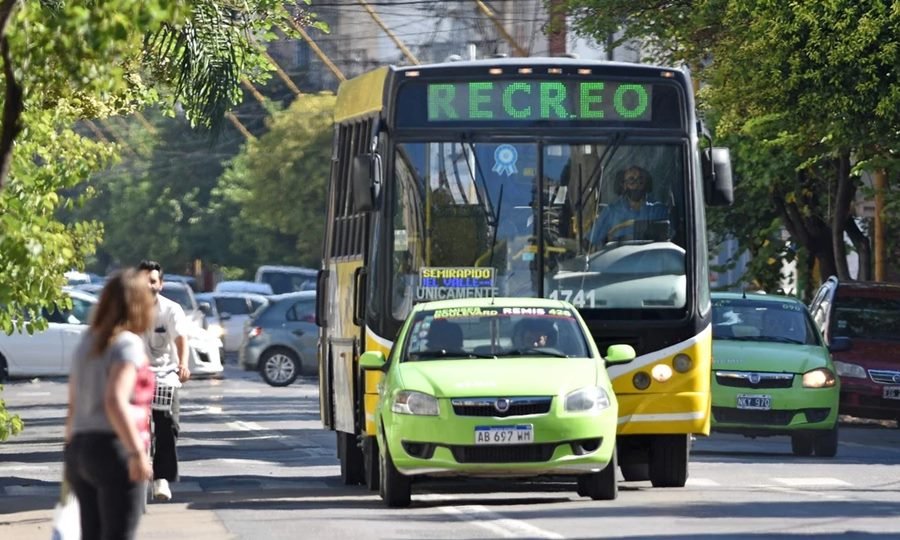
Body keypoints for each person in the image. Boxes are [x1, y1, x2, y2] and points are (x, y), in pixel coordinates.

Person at [64, 268, 156, 540]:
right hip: (113, 448)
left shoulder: (88, 341)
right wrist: (137, 453)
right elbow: (116, 400)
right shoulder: (127, 344)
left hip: (80, 447)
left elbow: (73, 402)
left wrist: (70, 448)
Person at [139, 259, 192, 502]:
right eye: (143, 281)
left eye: (152, 281)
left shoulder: (171, 310)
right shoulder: (125, 309)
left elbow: (181, 338)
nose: (147, 286)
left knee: (168, 425)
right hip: (134, 377)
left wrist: (183, 364)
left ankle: (161, 478)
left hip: (165, 376)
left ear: (160, 284)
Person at [589, 165, 670, 245]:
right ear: (624, 185)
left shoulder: (658, 210)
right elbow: (590, 241)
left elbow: (669, 239)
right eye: (631, 180)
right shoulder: (611, 212)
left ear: (645, 183)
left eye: (640, 179)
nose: (637, 184)